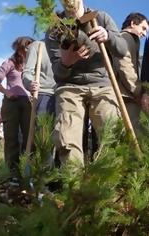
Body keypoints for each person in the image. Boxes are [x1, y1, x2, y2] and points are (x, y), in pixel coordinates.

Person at [45, 0, 128, 166]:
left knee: (111, 132)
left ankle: (110, 184)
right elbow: (58, 72)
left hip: (102, 84)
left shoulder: (101, 17)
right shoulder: (54, 27)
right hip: (70, 87)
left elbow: (122, 50)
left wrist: (108, 36)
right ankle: (73, 185)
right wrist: (66, 62)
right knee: (67, 138)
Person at [0, 36, 34, 176]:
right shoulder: (10, 62)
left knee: (29, 137)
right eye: (26, 46)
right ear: (19, 48)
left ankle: (28, 171)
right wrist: (7, 92)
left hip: (29, 103)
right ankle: (12, 173)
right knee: (11, 138)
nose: (28, 49)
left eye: (31, 46)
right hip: (12, 102)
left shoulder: (33, 65)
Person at [113, 13, 148, 133]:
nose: (144, 34)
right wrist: (139, 92)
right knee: (132, 135)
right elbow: (124, 66)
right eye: (143, 28)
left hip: (126, 94)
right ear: (133, 23)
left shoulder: (130, 40)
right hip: (125, 96)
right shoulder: (125, 38)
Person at [23, 40, 56, 116]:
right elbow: (27, 72)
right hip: (44, 93)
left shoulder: (71, 45)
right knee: (42, 127)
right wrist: (30, 83)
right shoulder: (37, 45)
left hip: (64, 94)